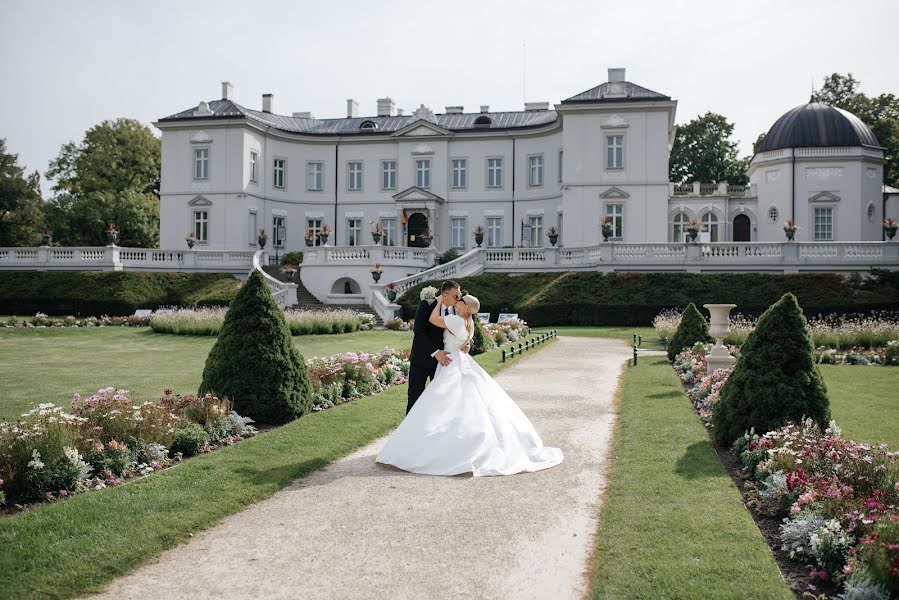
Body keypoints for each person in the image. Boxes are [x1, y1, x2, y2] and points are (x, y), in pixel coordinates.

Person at [377, 293, 563, 476]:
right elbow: (465, 340)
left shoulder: (456, 320)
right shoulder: (470, 322)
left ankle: (432, 446)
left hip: (451, 362)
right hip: (459, 359)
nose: (457, 300)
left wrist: (440, 299)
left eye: (461, 300)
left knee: (442, 402)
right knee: (459, 404)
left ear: (466, 307)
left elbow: (434, 319)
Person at [405, 281, 462, 415]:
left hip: (443, 364)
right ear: (445, 295)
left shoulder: (456, 310)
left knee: (439, 400)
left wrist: (465, 344)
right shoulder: (426, 305)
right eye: (455, 296)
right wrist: (435, 352)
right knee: (414, 397)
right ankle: (410, 432)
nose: (458, 299)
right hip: (421, 360)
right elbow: (419, 332)